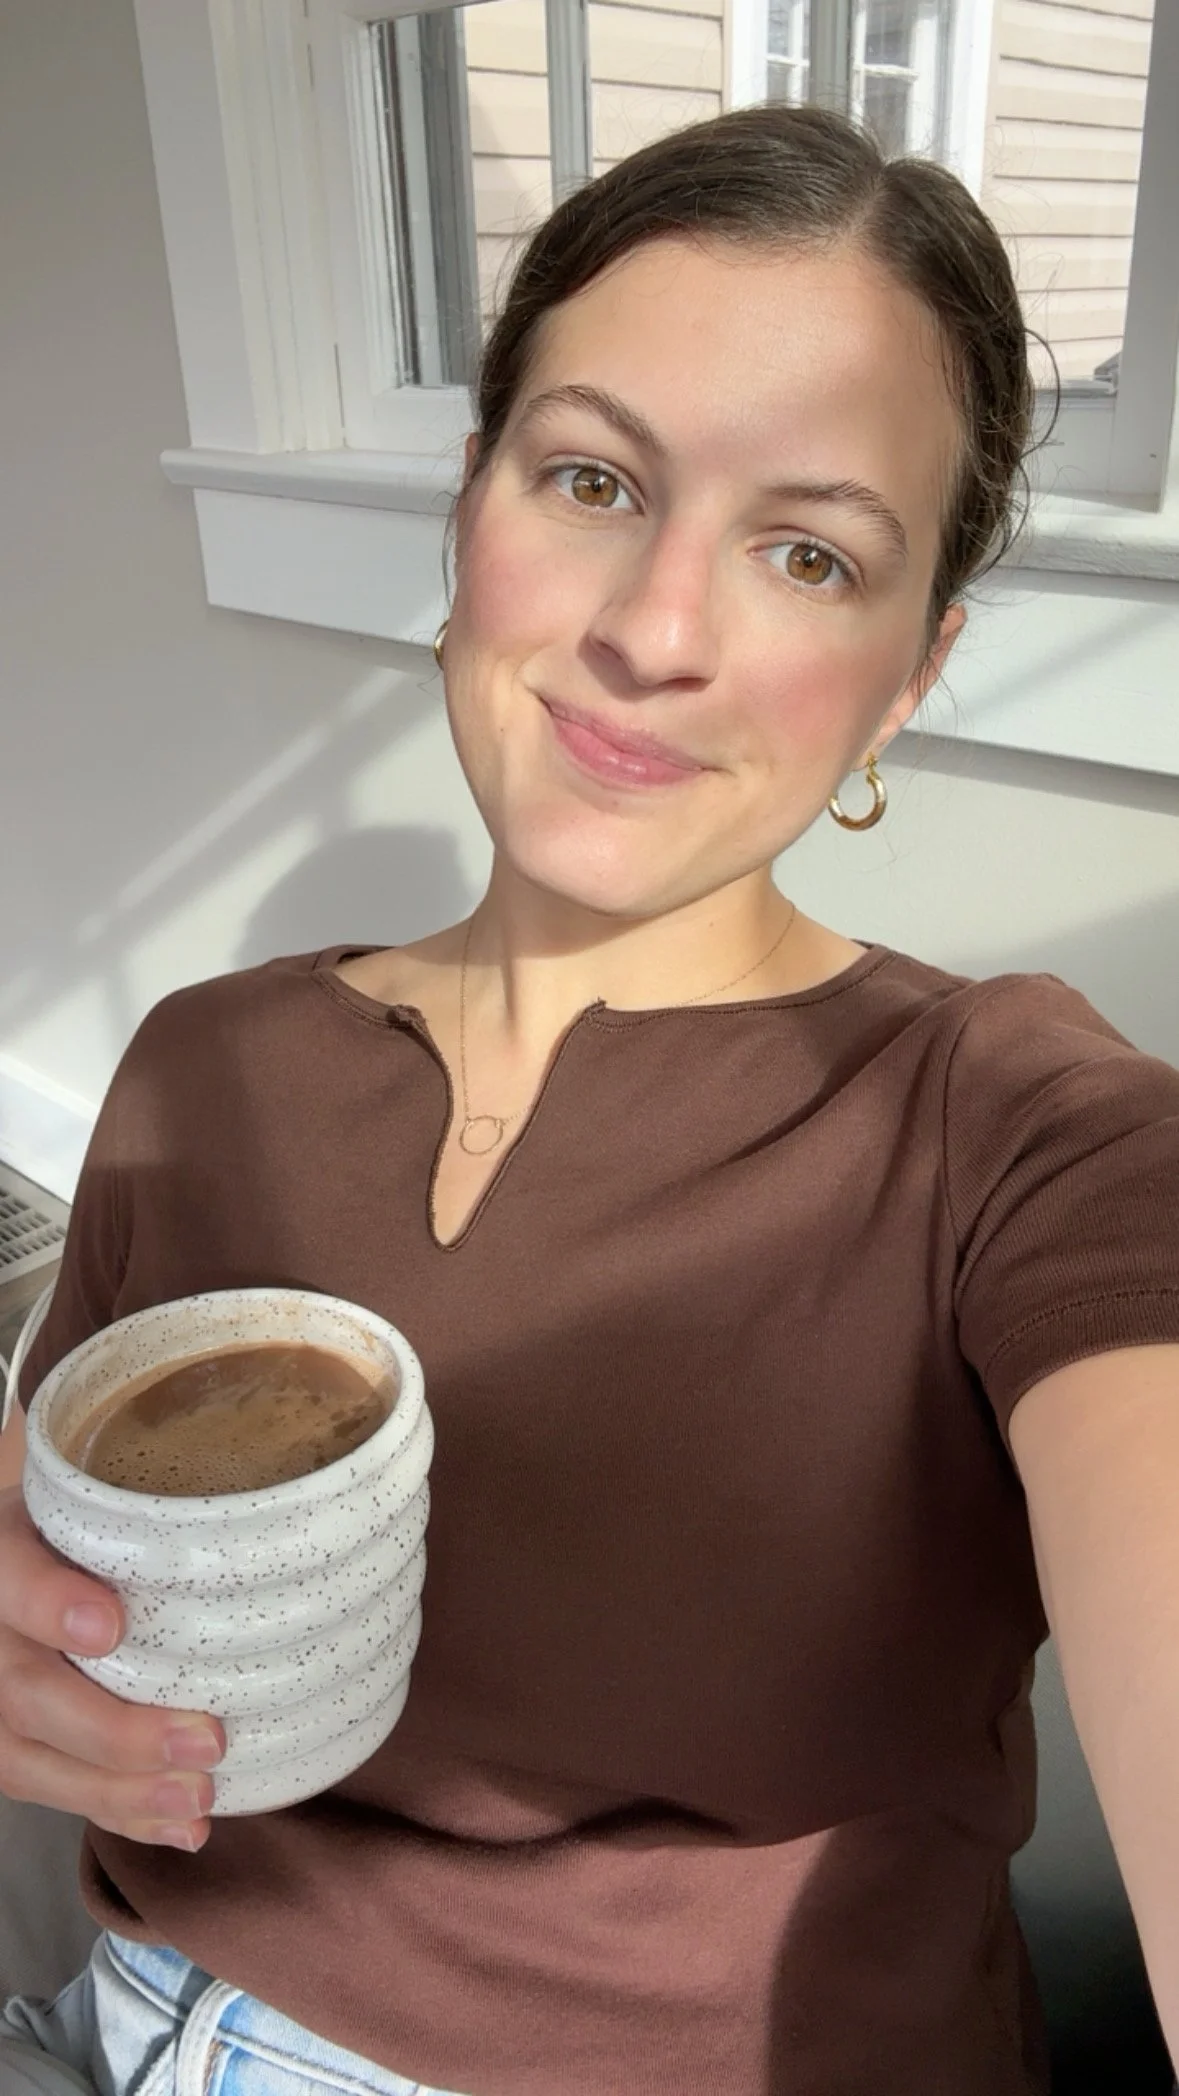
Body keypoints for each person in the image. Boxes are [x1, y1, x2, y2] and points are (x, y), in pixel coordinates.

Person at [1, 100, 1178, 2096]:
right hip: (113, 2015)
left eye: (808, 553)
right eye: (590, 478)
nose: (651, 633)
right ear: (469, 502)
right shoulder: (206, 1063)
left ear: (909, 673)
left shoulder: (1013, 1126)